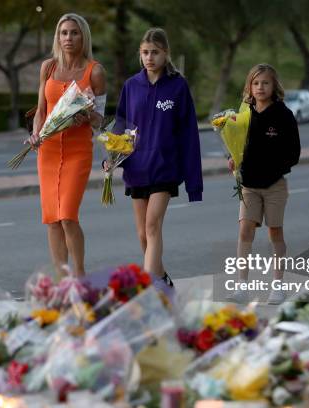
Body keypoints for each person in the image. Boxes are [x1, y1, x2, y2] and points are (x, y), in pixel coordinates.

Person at [114, 27, 203, 286]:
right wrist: (112, 158)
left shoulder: (178, 86)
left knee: (153, 226)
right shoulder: (131, 86)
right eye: (145, 52)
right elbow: (120, 127)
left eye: (155, 52)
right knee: (143, 234)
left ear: (166, 54)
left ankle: (147, 288)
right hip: (136, 169)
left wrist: (193, 183)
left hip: (165, 169)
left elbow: (189, 135)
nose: (149, 57)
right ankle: (162, 279)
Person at [27, 13, 106, 278]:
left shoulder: (95, 71)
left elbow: (100, 120)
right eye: (63, 33)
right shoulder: (47, 67)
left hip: (77, 152)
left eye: (74, 33)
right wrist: (36, 132)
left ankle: (79, 276)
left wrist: (86, 114)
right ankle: (62, 279)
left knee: (68, 216)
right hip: (47, 151)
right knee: (52, 219)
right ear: (57, 37)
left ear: (84, 36)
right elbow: (41, 110)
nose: (68, 38)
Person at [228, 63, 300, 304]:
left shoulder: (283, 114)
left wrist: (274, 165)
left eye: (265, 83)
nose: (260, 87)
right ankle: (241, 286)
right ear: (249, 86)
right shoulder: (244, 113)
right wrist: (233, 159)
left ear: (274, 85)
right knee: (244, 230)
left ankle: (278, 286)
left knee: (275, 232)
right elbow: (236, 144)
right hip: (248, 185)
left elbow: (294, 152)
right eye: (255, 83)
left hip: (274, 185)